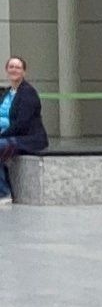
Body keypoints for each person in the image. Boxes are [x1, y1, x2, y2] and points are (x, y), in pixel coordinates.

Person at [0, 55, 49, 206]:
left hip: (29, 139)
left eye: (18, 67)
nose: (14, 70)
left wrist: (2, 135)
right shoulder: (7, 93)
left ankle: (4, 193)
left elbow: (22, 124)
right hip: (7, 136)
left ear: (24, 72)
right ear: (7, 70)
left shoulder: (28, 93)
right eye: (11, 67)